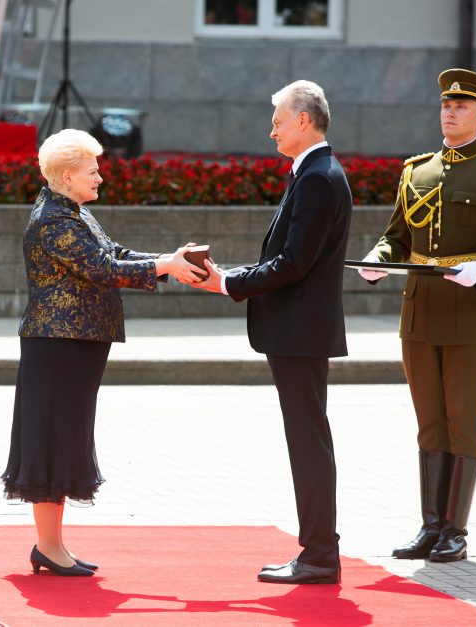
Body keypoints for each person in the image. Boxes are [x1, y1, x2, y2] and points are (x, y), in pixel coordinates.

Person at [0, 129, 202, 576]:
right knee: (52, 440)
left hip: (74, 343)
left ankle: (52, 546)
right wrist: (163, 266)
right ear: (67, 175)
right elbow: (100, 268)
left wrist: (168, 261)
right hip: (58, 345)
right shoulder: (55, 218)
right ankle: (48, 547)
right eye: (93, 171)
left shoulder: (71, 211)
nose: (100, 177)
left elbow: (114, 253)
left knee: (62, 438)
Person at [357, 69, 476, 562]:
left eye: (461, 106)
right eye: (445, 105)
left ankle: (456, 528)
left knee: (463, 420)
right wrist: (379, 258)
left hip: (471, 314)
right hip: (419, 313)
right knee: (429, 421)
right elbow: (397, 237)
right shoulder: (417, 171)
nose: (450, 112)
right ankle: (430, 526)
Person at [190, 80, 352, 584]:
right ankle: (319, 549)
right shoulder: (311, 173)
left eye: (279, 121)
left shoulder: (319, 178)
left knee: (308, 442)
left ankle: (320, 554)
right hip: (297, 331)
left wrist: (228, 283)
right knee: (308, 440)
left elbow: (292, 264)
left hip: (299, 333)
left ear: (304, 121)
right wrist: (232, 279)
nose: (272, 130)